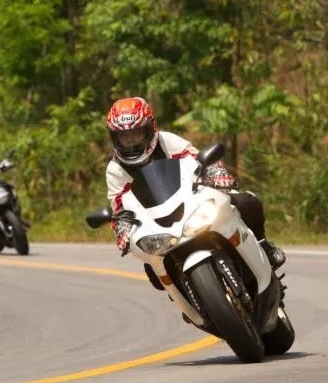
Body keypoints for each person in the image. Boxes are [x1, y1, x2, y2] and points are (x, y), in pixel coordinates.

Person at [104, 96, 286, 268]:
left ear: (150, 128)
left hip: (190, 201)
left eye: (136, 134)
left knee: (248, 202)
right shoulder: (115, 170)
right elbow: (119, 207)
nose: (131, 142)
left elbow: (199, 159)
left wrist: (217, 174)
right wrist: (123, 229)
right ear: (114, 137)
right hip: (155, 223)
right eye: (124, 137)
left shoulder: (167, 141)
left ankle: (264, 246)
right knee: (152, 268)